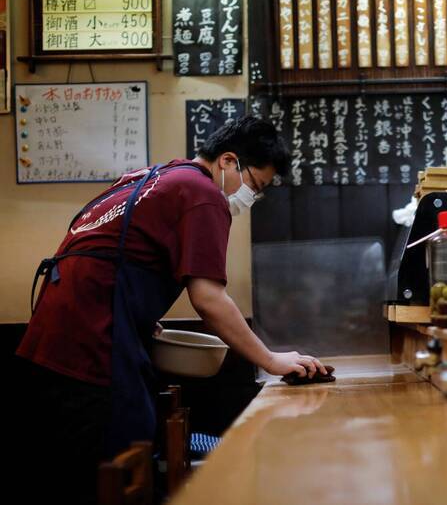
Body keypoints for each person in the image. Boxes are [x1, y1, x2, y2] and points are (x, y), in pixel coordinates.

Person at [12, 115, 327, 504]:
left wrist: (141, 315)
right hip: (90, 346)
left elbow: (112, 257)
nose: (251, 197)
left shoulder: (156, 176)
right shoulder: (203, 194)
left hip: (49, 340)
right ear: (228, 161)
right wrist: (270, 360)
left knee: (76, 467)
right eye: (255, 185)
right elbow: (208, 299)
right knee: (119, 459)